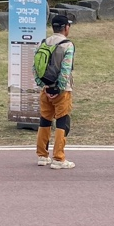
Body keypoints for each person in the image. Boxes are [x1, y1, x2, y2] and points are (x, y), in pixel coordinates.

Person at [35, 15, 75, 170]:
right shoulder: (67, 45)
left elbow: (35, 67)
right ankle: (58, 158)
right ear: (66, 28)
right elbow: (66, 69)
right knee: (62, 121)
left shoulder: (43, 43)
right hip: (62, 91)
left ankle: (42, 155)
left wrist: (44, 86)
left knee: (45, 120)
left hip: (45, 89)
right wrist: (58, 88)